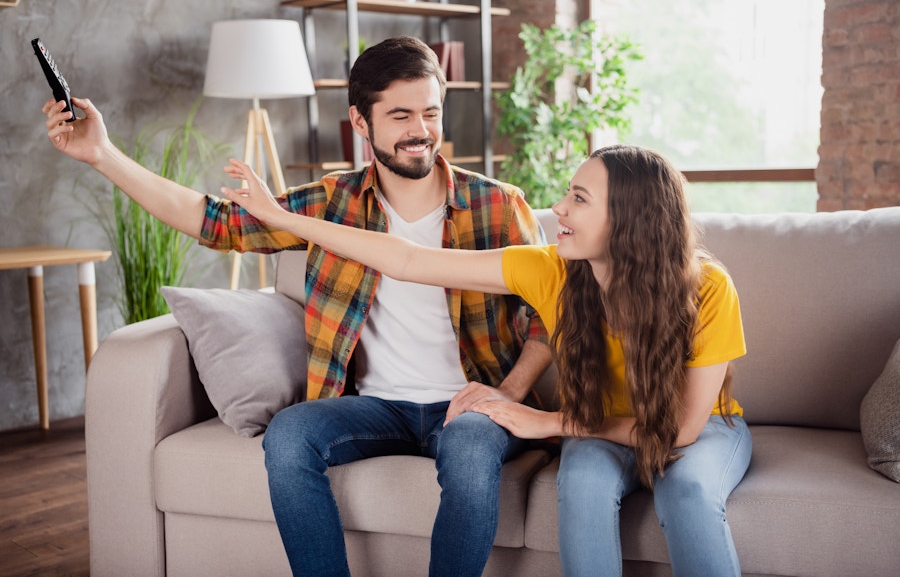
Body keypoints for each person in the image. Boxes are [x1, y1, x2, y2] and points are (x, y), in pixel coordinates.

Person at [43, 36, 552, 577]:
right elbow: (215, 222)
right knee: (288, 436)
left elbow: (551, 316)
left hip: (469, 408)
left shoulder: (497, 204)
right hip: (377, 406)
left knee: (472, 453)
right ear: (360, 122)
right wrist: (101, 153)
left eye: (430, 112)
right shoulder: (332, 203)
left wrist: (507, 395)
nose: (420, 131)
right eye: (400, 115)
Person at [211, 144, 753, 577]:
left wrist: (545, 421)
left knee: (689, 492)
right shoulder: (550, 270)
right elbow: (406, 259)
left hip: (702, 429)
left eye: (580, 199)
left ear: (630, 219)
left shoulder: (706, 287)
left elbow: (680, 428)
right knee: (582, 486)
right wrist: (281, 218)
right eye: (567, 193)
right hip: (597, 430)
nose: (559, 209)